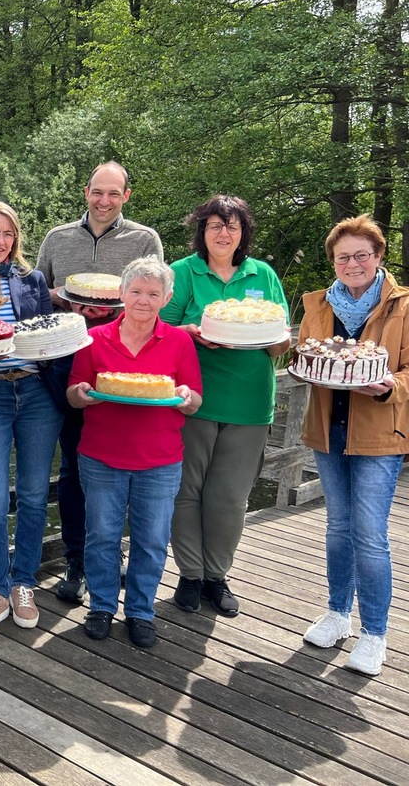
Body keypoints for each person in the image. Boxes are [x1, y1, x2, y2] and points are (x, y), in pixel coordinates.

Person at [36, 162, 163, 602]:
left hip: (126, 367)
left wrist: (116, 313)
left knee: (121, 464)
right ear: (85, 191)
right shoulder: (57, 238)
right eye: (97, 192)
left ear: (126, 195)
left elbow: (153, 301)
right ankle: (76, 558)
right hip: (68, 364)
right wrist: (64, 302)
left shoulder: (144, 240)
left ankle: (111, 556)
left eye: (114, 193)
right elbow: (40, 298)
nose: (104, 201)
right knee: (72, 466)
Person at [159, 196, 290, 619]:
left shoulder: (263, 274)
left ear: (243, 233)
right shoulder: (182, 272)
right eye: (214, 224)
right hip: (191, 400)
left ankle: (217, 576)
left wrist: (274, 338)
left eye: (232, 226)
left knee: (230, 497)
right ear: (202, 230)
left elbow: (281, 337)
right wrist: (192, 332)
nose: (222, 232)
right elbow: (162, 331)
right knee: (186, 491)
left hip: (250, 403)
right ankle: (189, 575)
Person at [66, 256, 202, 648]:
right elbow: (75, 394)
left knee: (152, 540)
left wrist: (182, 396)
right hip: (101, 456)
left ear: (167, 298)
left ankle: (141, 611)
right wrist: (83, 394)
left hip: (159, 460)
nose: (144, 300)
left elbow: (193, 400)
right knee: (102, 536)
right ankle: (102, 605)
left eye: (153, 293)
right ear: (121, 293)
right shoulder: (94, 339)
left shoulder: (178, 341)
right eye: (137, 291)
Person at [297, 215, 407, 677]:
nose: (353, 263)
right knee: (338, 527)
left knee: (369, 534)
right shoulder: (319, 304)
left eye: (362, 254)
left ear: (379, 257)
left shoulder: (403, 306)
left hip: (380, 434)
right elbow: (307, 352)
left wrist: (388, 388)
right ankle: (339, 613)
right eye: (344, 257)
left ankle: (374, 633)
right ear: (334, 263)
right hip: (329, 429)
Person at [0, 202, 66, 634]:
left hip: (37, 394)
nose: (0, 241)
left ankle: (24, 582)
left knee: (35, 494)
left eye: (8, 234)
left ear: (16, 239)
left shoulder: (32, 279)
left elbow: (45, 336)